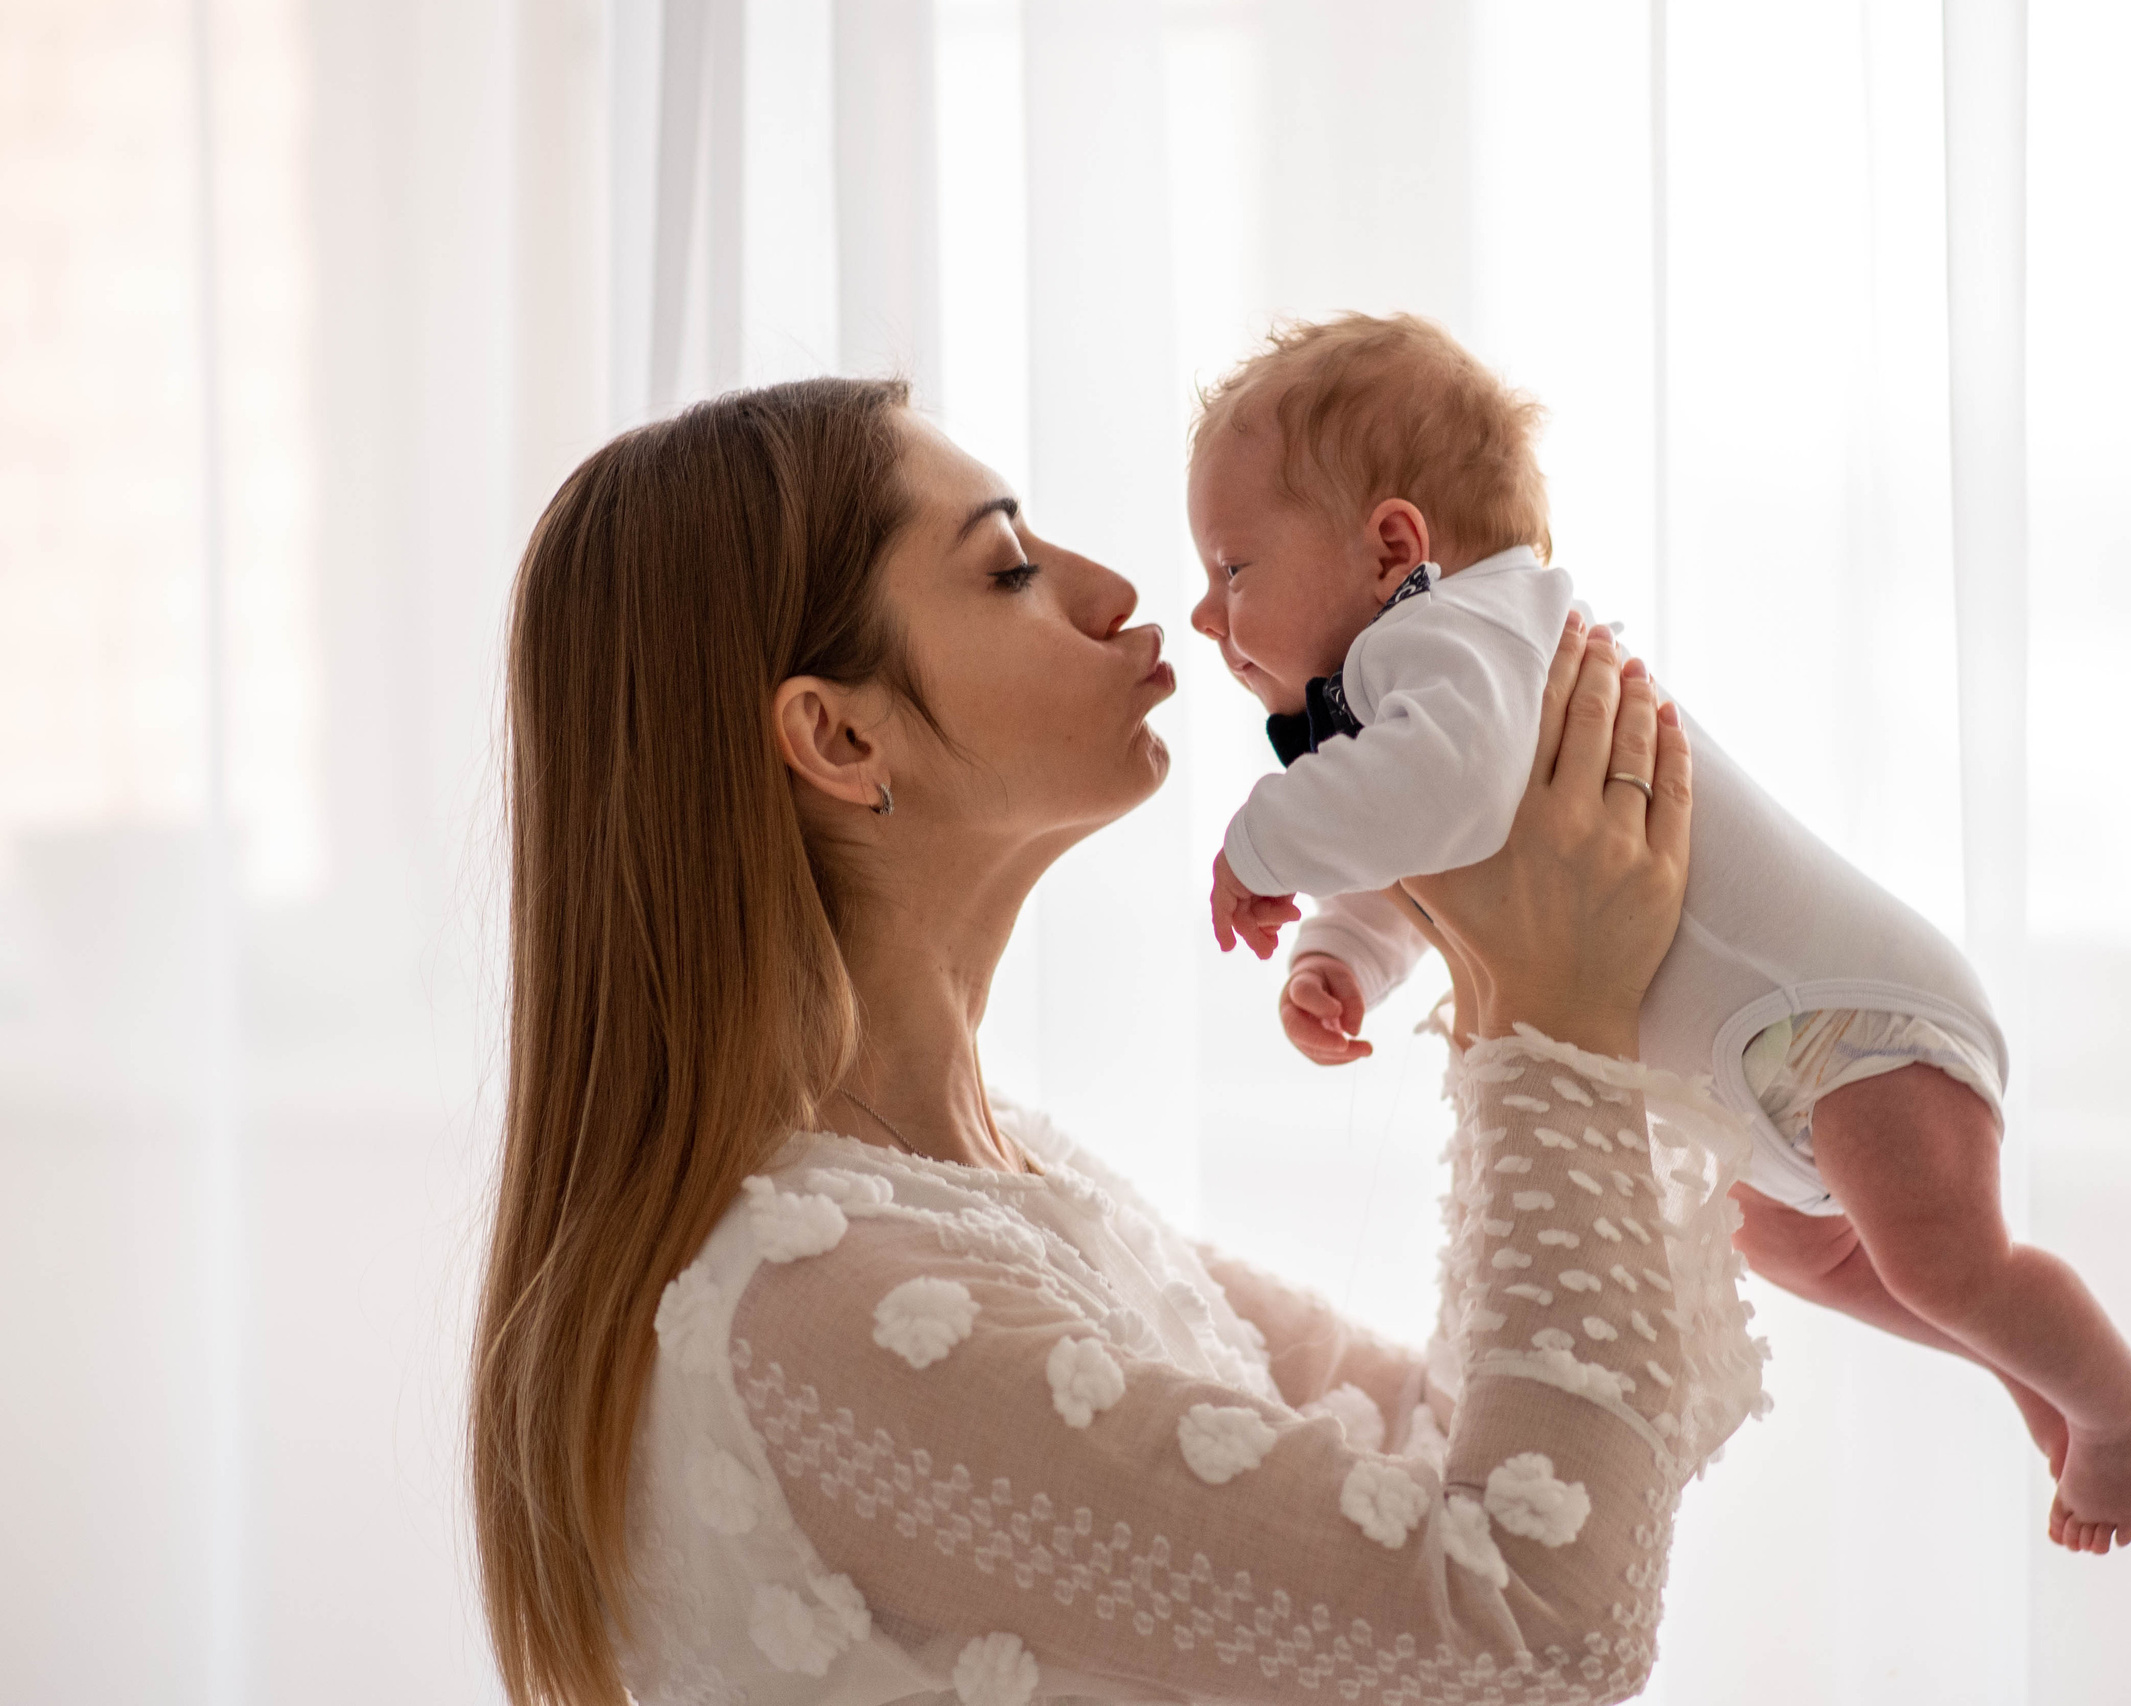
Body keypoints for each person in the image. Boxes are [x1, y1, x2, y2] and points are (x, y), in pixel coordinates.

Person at [470, 376, 1766, 1706]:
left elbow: (1444, 1449)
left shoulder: (995, 1177)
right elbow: (1530, 1621)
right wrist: (1556, 1026)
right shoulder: (823, 1305)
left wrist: (1518, 968)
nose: (1118, 594)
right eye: (1009, 569)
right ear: (839, 733)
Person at [1190, 313, 2131, 1555]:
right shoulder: (1447, 698)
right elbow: (1424, 849)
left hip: (1851, 1021)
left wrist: (1260, 843)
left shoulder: (1449, 632)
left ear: (1395, 546)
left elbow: (1442, 794)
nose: (1204, 613)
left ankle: (2120, 1401)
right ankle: (2026, 1358)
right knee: (1817, 1256)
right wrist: (1342, 957)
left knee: (1945, 1263)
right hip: (1774, 1063)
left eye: (1232, 569)